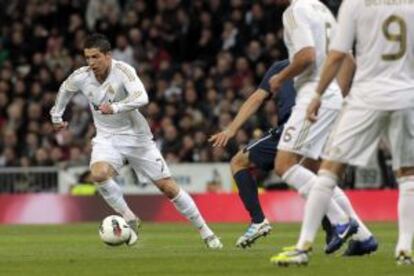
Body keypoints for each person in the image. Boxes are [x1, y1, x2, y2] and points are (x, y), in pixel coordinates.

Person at [271, 0, 414, 266]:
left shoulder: (296, 11)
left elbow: (307, 56)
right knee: (405, 176)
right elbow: (348, 58)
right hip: (386, 95)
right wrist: (339, 94)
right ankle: (367, 236)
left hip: (329, 93)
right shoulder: (323, 8)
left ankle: (337, 224)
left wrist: (283, 79)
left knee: (288, 165)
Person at [50, 33, 223, 249]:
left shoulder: (123, 71)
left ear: (108, 56)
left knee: (168, 188)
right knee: (98, 174)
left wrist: (116, 107)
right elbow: (65, 89)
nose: (91, 63)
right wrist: (56, 115)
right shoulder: (81, 76)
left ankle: (206, 232)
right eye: (87, 58)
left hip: (137, 138)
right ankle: (129, 217)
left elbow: (142, 97)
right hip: (107, 138)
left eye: (95, 57)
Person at [210, 58, 376, 255]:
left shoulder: (289, 64)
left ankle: (260, 221)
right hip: (324, 121)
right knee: (318, 177)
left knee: (241, 162)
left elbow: (257, 98)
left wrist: (231, 129)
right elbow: (349, 65)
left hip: (297, 122)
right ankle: (358, 236)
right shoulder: (324, 60)